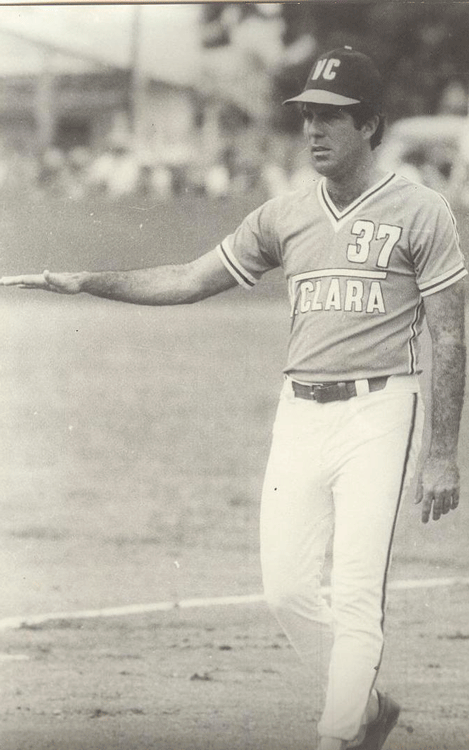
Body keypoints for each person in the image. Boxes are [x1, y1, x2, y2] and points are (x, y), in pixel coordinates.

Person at [1, 47, 467, 750]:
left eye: (332, 118)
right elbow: (188, 279)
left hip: (380, 410)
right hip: (299, 410)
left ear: (370, 126)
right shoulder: (282, 216)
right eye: (307, 115)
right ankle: (365, 708)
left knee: (355, 590)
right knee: (284, 590)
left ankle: (338, 733)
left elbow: (450, 338)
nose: (313, 129)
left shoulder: (421, 212)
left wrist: (441, 455)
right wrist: (86, 280)